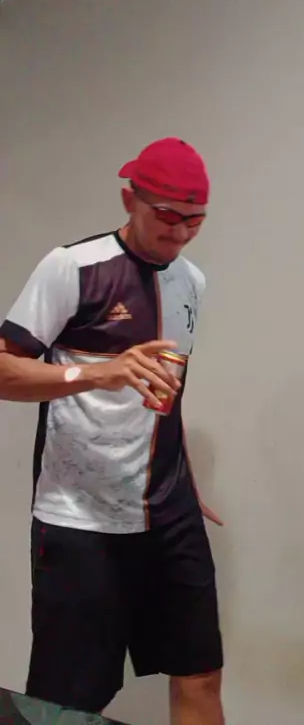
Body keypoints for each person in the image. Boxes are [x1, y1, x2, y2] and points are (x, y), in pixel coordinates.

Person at [0, 138, 224, 725]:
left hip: (169, 513)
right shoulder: (71, 267)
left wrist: (184, 475)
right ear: (130, 200)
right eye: (167, 216)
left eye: (195, 220)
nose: (180, 233)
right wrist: (97, 373)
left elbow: (167, 394)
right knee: (67, 704)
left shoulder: (192, 281)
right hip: (81, 520)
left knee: (200, 672)